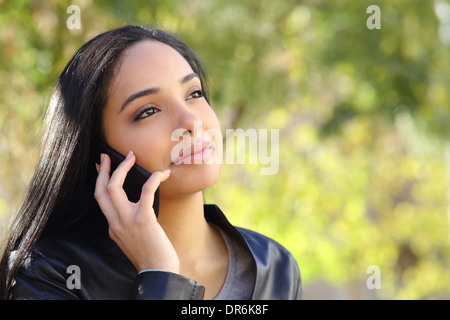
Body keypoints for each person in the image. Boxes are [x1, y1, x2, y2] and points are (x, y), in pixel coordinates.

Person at [0, 25, 302, 300]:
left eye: (194, 93)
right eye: (148, 111)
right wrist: (159, 275)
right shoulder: (49, 275)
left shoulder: (275, 267)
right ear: (99, 153)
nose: (191, 121)